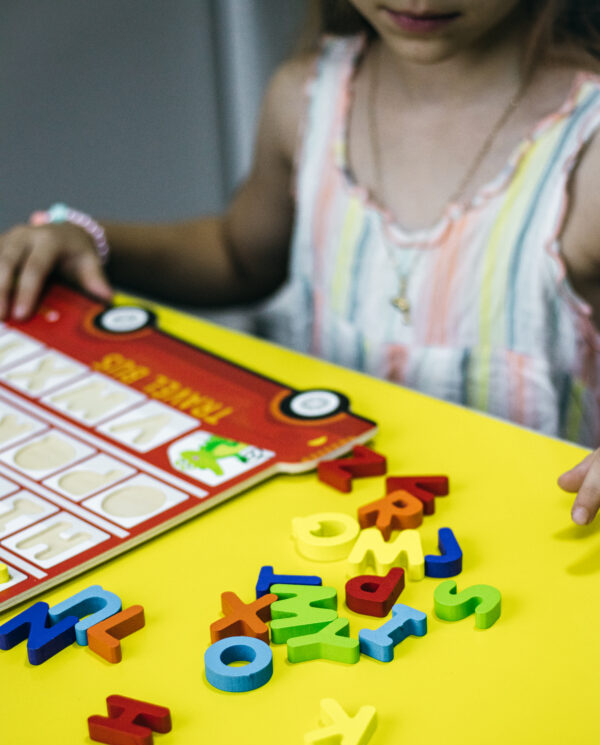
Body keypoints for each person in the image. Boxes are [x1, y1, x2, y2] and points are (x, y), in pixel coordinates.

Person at [1, 0, 600, 529]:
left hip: (534, 544)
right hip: (328, 534)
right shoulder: (305, 98)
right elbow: (239, 257)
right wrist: (92, 238)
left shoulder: (588, 145)